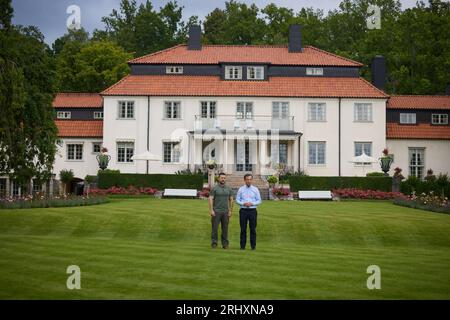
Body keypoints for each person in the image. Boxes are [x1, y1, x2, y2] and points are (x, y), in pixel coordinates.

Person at [236, 174, 261, 250]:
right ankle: (242, 246)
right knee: (243, 229)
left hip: (252, 211)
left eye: (250, 179)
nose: (249, 181)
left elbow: (259, 200)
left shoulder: (255, 189)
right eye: (247, 179)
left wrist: (252, 203)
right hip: (243, 211)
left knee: (252, 229)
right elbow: (237, 200)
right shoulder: (241, 189)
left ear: (252, 180)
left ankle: (253, 246)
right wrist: (243, 203)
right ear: (244, 180)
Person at [209, 172, 234, 249]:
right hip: (216, 211)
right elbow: (210, 199)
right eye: (221, 178)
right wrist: (211, 210)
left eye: (224, 178)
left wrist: (230, 211)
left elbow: (231, 200)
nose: (223, 179)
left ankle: (225, 244)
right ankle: (214, 243)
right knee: (215, 228)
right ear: (218, 178)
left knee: (225, 229)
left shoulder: (228, 188)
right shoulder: (214, 188)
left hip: (225, 212)